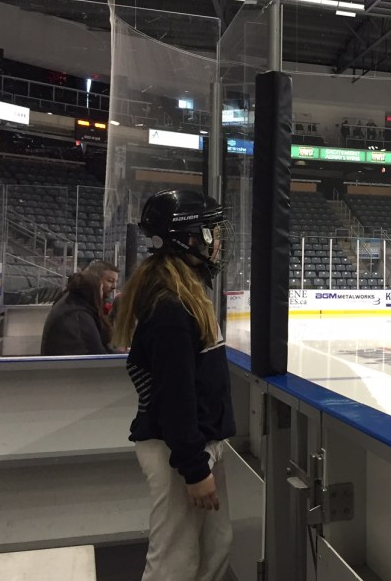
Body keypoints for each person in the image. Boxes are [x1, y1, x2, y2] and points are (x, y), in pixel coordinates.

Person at [111, 189, 235, 581]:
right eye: (210, 234)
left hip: (196, 446)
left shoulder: (185, 296)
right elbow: (175, 397)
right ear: (189, 240)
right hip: (178, 453)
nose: (217, 244)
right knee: (174, 563)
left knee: (216, 546)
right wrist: (194, 469)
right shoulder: (170, 307)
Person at [40, 271, 113, 355]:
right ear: (93, 291)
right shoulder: (79, 315)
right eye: (101, 289)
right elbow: (99, 354)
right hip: (70, 365)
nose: (102, 293)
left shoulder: (70, 302)